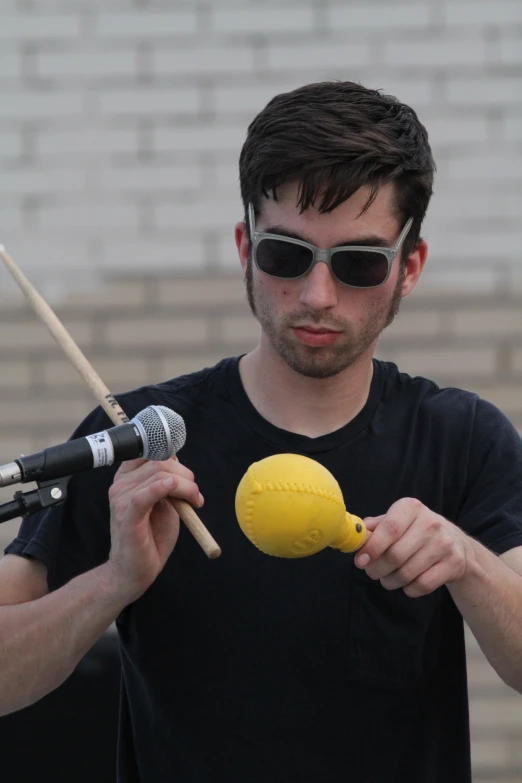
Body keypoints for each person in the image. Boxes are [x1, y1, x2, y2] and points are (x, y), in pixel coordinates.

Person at [1, 80, 522, 783]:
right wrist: (112, 583)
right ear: (246, 248)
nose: (317, 295)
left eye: (360, 262)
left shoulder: (462, 438)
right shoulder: (141, 440)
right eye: (286, 254)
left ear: (410, 268)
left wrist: (464, 557)